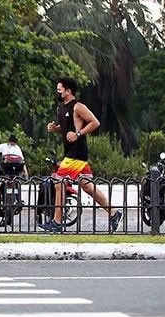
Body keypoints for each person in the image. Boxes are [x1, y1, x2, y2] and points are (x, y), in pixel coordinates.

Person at [38, 77, 122, 232]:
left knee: (59, 183)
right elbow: (65, 129)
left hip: (77, 152)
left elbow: (95, 122)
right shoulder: (60, 109)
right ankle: (114, 213)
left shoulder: (77, 106)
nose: (57, 92)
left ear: (68, 91)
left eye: (59, 90)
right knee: (87, 187)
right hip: (70, 152)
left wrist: (78, 133)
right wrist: (55, 129)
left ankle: (56, 222)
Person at [0, 135, 28, 206]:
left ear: (8, 141)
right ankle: (18, 200)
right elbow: (23, 162)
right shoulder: (17, 148)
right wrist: (26, 173)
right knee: (16, 183)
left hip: (5, 171)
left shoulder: (4, 146)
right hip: (15, 172)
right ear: (16, 142)